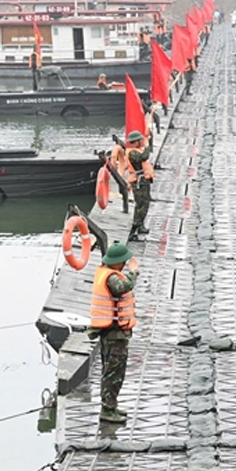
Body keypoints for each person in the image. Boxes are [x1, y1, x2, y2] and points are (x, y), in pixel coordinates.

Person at [88, 242, 138, 424]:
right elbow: (123, 287)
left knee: (113, 371)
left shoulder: (104, 272)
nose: (125, 264)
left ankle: (111, 405)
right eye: (123, 262)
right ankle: (107, 410)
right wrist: (133, 272)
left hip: (112, 333)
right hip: (114, 334)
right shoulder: (111, 278)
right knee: (113, 372)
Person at [126, 130, 154, 239]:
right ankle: (137, 224)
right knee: (141, 203)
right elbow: (144, 157)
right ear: (136, 142)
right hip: (139, 182)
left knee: (144, 203)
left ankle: (140, 224)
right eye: (140, 141)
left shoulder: (136, 150)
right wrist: (147, 146)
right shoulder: (133, 153)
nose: (142, 142)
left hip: (143, 181)